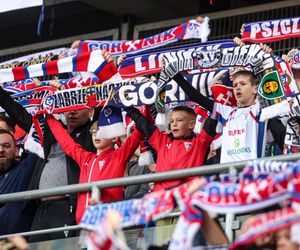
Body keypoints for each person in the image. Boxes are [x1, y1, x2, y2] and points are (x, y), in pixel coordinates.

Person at [0, 85, 95, 241]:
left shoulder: (90, 134)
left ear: (90, 112)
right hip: (40, 208)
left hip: (67, 205)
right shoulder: (51, 131)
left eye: (78, 108)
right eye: (69, 107)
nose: (72, 111)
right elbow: (19, 115)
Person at [46, 107, 144, 223]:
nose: (96, 135)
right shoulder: (85, 158)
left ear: (114, 137)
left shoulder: (118, 156)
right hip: (83, 223)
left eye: (101, 131)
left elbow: (140, 130)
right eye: (94, 132)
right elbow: (65, 141)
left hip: (108, 222)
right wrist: (48, 116)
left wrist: (141, 107)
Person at [172, 69, 291, 163]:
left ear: (255, 89)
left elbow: (280, 95)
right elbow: (197, 97)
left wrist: (267, 59)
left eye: (243, 84)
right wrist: (176, 76)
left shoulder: (261, 110)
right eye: (235, 85)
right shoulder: (226, 112)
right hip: (227, 178)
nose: (238, 87)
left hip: (250, 176)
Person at [125, 105, 216, 192]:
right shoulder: (162, 141)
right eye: (171, 121)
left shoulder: (199, 142)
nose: (174, 124)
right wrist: (128, 108)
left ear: (191, 124)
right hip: (162, 198)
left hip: (188, 196)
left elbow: (215, 112)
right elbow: (144, 123)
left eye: (179, 120)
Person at [0, 129, 38, 235]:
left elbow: (39, 141)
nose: (1, 150)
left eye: (6, 146)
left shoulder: (25, 169)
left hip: (19, 243)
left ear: (16, 150)